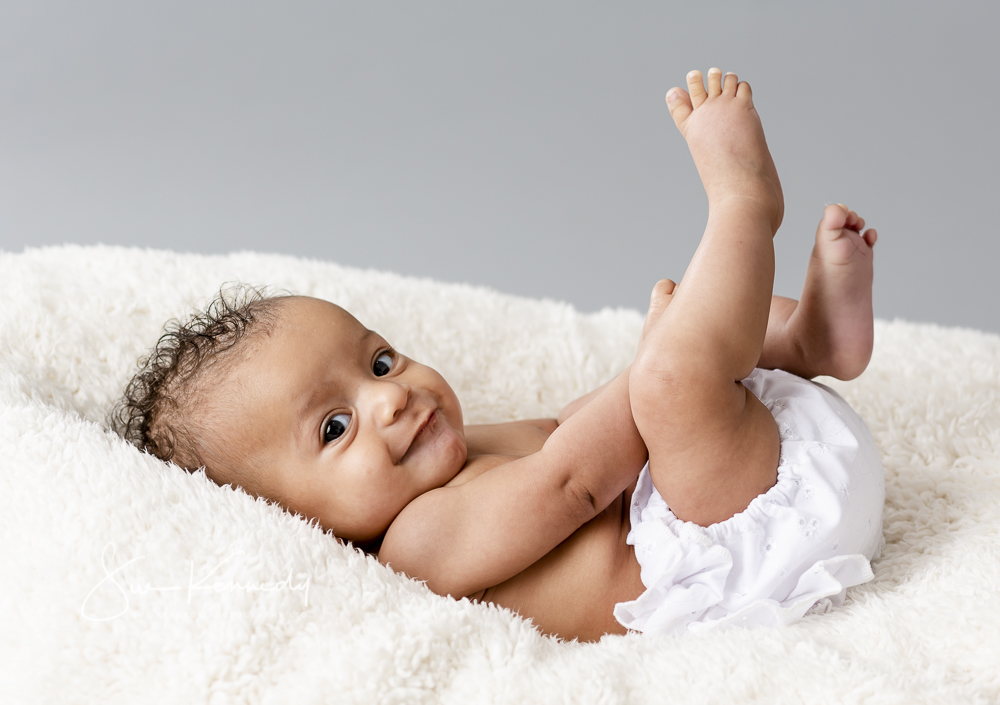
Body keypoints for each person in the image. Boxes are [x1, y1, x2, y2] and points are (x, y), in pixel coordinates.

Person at [114, 68, 884, 641]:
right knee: (673, 375)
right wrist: (661, 358)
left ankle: (806, 341)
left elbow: (568, 429)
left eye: (379, 362)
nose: (389, 397)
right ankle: (745, 204)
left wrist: (660, 357)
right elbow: (574, 481)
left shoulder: (457, 453)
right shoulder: (416, 545)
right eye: (334, 427)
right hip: (740, 551)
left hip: (751, 469)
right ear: (290, 519)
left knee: (673, 361)